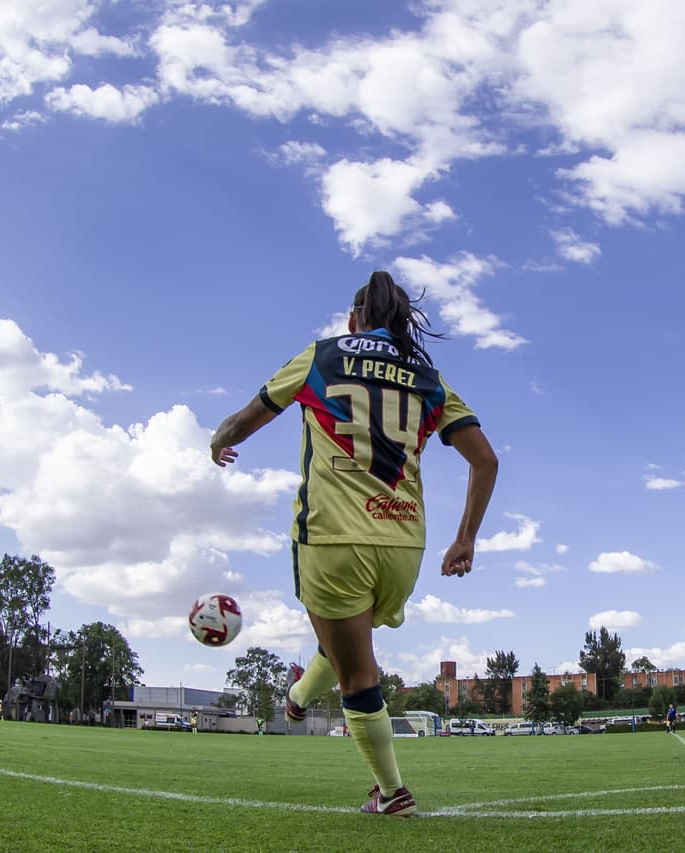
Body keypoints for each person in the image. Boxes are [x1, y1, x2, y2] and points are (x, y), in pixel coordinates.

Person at [211, 270, 498, 817]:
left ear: (353, 320)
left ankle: (392, 793)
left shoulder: (322, 356)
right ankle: (296, 699)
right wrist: (466, 539)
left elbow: (246, 420)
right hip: (405, 544)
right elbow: (485, 459)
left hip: (334, 535)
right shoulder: (429, 378)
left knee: (357, 674)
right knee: (347, 645)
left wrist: (218, 440)